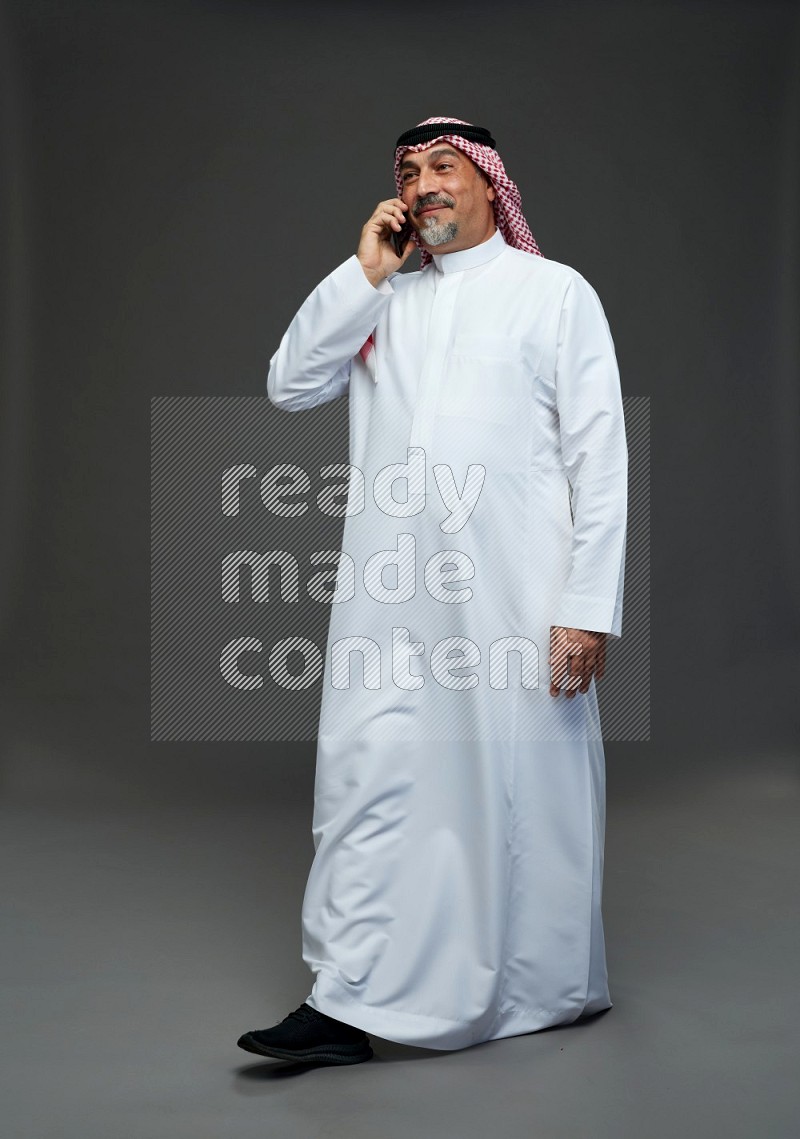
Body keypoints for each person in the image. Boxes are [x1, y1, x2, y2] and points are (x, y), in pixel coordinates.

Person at [237, 116, 628, 1066]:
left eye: (444, 168)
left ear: (495, 186)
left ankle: (546, 982)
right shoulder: (384, 297)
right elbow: (291, 384)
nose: (423, 187)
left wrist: (586, 607)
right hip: (388, 591)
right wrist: (366, 272)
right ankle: (344, 998)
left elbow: (600, 456)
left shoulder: (554, 293)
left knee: (514, 784)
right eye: (409, 173)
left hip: (513, 594)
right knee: (365, 775)